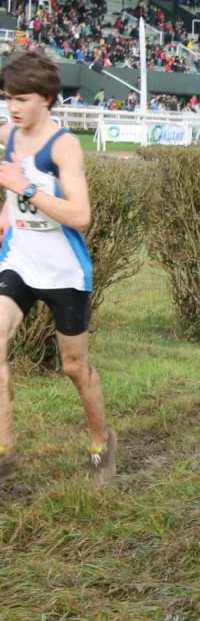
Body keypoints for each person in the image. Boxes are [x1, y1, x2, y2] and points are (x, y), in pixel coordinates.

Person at [0, 51, 115, 481]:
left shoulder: (64, 145)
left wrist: (25, 188)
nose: (13, 107)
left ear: (46, 99)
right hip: (19, 260)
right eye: (8, 98)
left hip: (64, 268)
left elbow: (81, 216)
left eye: (22, 99)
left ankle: (101, 440)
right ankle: (4, 449)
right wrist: (7, 213)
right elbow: (12, 195)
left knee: (73, 366)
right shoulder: (8, 134)